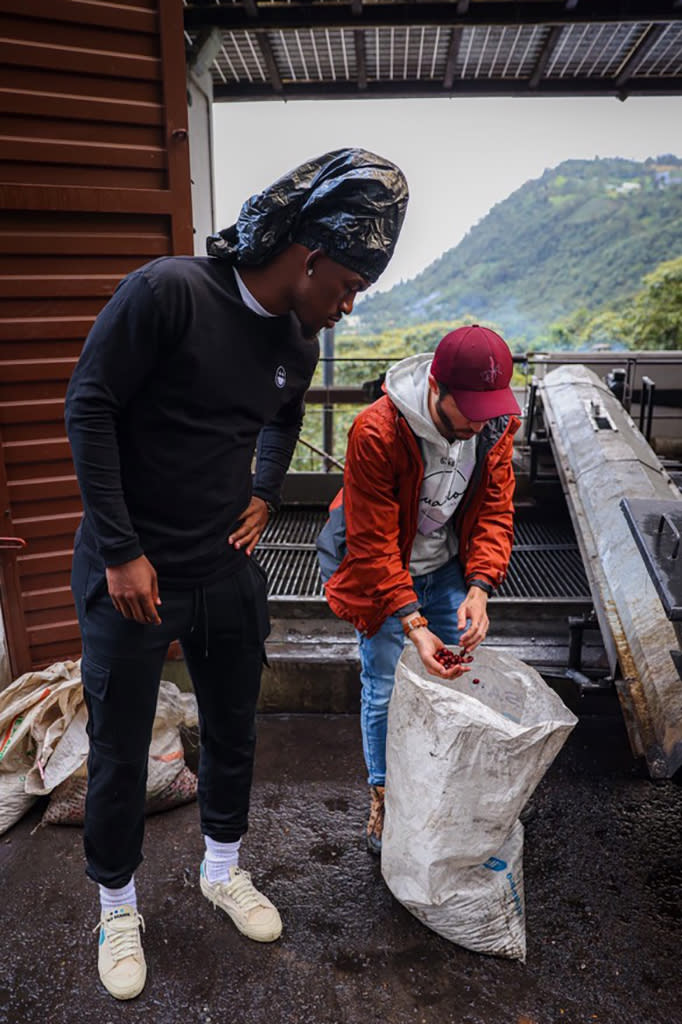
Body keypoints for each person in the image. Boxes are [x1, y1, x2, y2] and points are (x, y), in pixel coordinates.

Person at [65, 148, 408, 1000]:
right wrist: (119, 550)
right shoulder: (170, 293)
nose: (350, 302)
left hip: (224, 567)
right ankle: (116, 904)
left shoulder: (296, 337)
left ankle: (223, 869)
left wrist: (262, 490)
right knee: (117, 751)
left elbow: (283, 411)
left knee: (234, 727)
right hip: (131, 573)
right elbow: (89, 405)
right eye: (350, 282)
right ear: (310, 256)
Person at [316, 324, 521, 854]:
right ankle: (384, 795)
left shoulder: (495, 426)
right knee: (384, 685)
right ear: (437, 387)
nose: (478, 424)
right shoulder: (378, 431)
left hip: (447, 564)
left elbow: (495, 510)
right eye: (467, 413)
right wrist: (413, 623)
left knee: (460, 674)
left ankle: (442, 793)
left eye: (486, 411)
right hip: (382, 570)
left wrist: (480, 587)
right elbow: (374, 542)